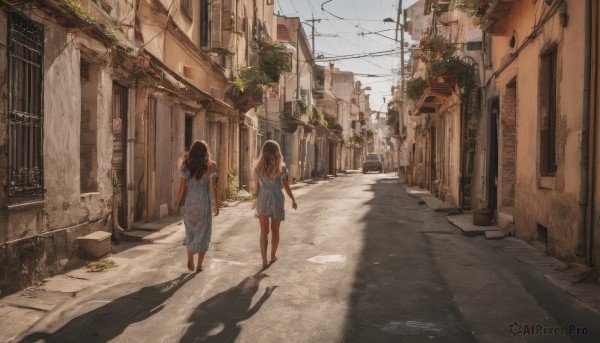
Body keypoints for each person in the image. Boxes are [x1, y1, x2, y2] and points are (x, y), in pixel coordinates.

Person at [175, 140, 219, 273]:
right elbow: (212, 187)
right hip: (204, 203)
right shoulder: (211, 165)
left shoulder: (186, 165)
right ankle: (199, 265)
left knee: (190, 230)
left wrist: (177, 203)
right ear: (206, 151)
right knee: (203, 233)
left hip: (189, 203)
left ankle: (190, 255)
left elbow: (182, 187)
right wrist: (216, 205)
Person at [253, 140, 298, 270]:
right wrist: (293, 199)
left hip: (263, 197)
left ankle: (264, 261)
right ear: (277, 152)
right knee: (275, 230)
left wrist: (256, 200)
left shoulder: (258, 167)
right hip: (277, 198)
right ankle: (272, 256)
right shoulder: (281, 168)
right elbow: (286, 186)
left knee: (263, 232)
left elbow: (257, 187)